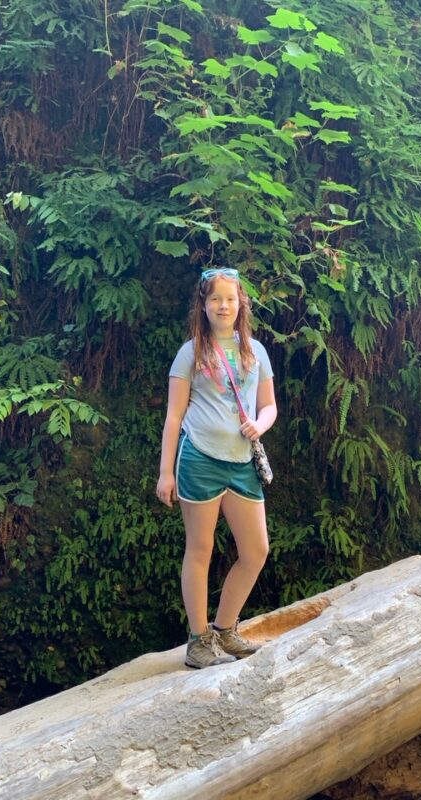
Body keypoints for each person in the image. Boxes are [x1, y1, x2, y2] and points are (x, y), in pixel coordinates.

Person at [156, 267, 277, 669]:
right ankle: (197, 641)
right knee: (201, 548)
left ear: (241, 303)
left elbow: (269, 405)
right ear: (203, 306)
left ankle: (225, 629)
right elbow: (174, 417)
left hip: (242, 460)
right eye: (215, 299)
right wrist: (165, 473)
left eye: (230, 298)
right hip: (200, 458)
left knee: (256, 550)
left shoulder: (256, 350)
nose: (223, 306)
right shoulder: (190, 352)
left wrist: (259, 424)